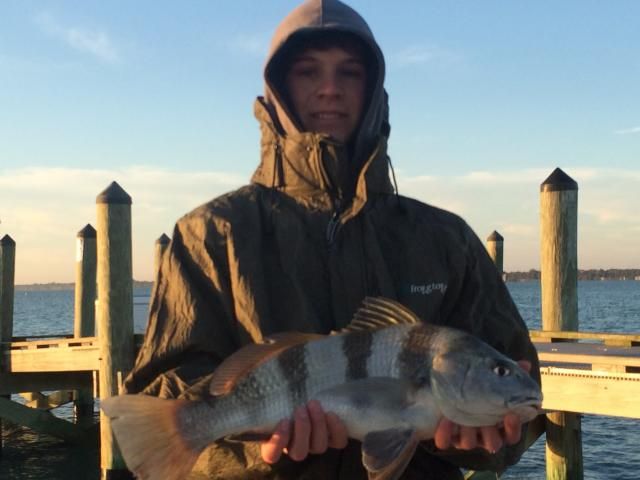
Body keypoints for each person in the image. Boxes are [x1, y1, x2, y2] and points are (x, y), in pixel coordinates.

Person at [123, 0, 541, 478]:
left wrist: (485, 438)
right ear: (277, 90)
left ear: (373, 89)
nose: (330, 90)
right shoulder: (209, 235)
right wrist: (256, 447)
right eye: (307, 72)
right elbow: (161, 400)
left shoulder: (447, 239)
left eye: (349, 73)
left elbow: (523, 401)